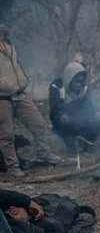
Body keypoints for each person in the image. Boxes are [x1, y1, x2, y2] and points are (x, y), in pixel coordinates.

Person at [0, 20, 61, 177]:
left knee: (38, 123)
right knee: (6, 134)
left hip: (19, 94)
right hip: (2, 97)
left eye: (2, 23)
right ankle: (12, 166)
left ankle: (43, 154)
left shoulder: (8, 44)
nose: (3, 25)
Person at [49, 62, 100, 155]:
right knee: (64, 118)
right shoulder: (56, 86)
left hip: (78, 118)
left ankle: (88, 147)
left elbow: (89, 107)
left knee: (95, 120)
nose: (79, 84)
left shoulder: (83, 88)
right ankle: (71, 150)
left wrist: (95, 113)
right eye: (77, 81)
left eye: (82, 81)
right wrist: (77, 101)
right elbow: (55, 109)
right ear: (69, 78)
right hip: (63, 119)